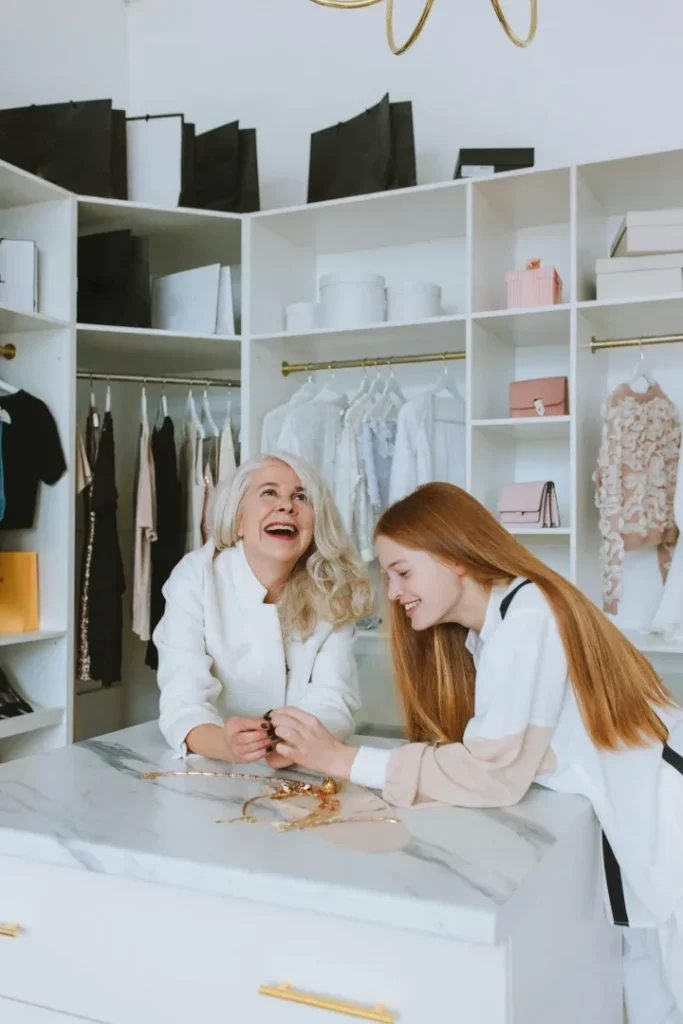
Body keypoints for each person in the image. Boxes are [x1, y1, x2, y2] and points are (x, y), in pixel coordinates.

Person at [269, 482, 683, 1024]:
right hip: (639, 826)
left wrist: (344, 760)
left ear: (452, 555)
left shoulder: (530, 613)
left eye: (402, 571)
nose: (392, 592)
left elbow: (491, 771)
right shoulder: (492, 632)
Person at [154, 451, 373, 769]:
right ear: (239, 519)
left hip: (305, 766)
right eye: (269, 492)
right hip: (212, 767)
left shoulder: (332, 588)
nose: (287, 505)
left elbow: (334, 696)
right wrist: (225, 744)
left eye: (301, 496)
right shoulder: (196, 577)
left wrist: (293, 746)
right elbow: (182, 697)